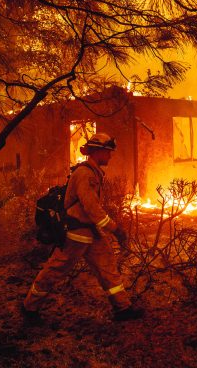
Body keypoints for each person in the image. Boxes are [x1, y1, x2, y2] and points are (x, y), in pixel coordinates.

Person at [23, 133, 144, 322]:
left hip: (90, 232)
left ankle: (123, 308)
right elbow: (91, 208)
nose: (110, 156)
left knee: (107, 266)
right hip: (76, 234)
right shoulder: (85, 174)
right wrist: (115, 229)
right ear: (98, 152)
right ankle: (29, 308)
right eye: (108, 152)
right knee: (55, 270)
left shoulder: (93, 172)